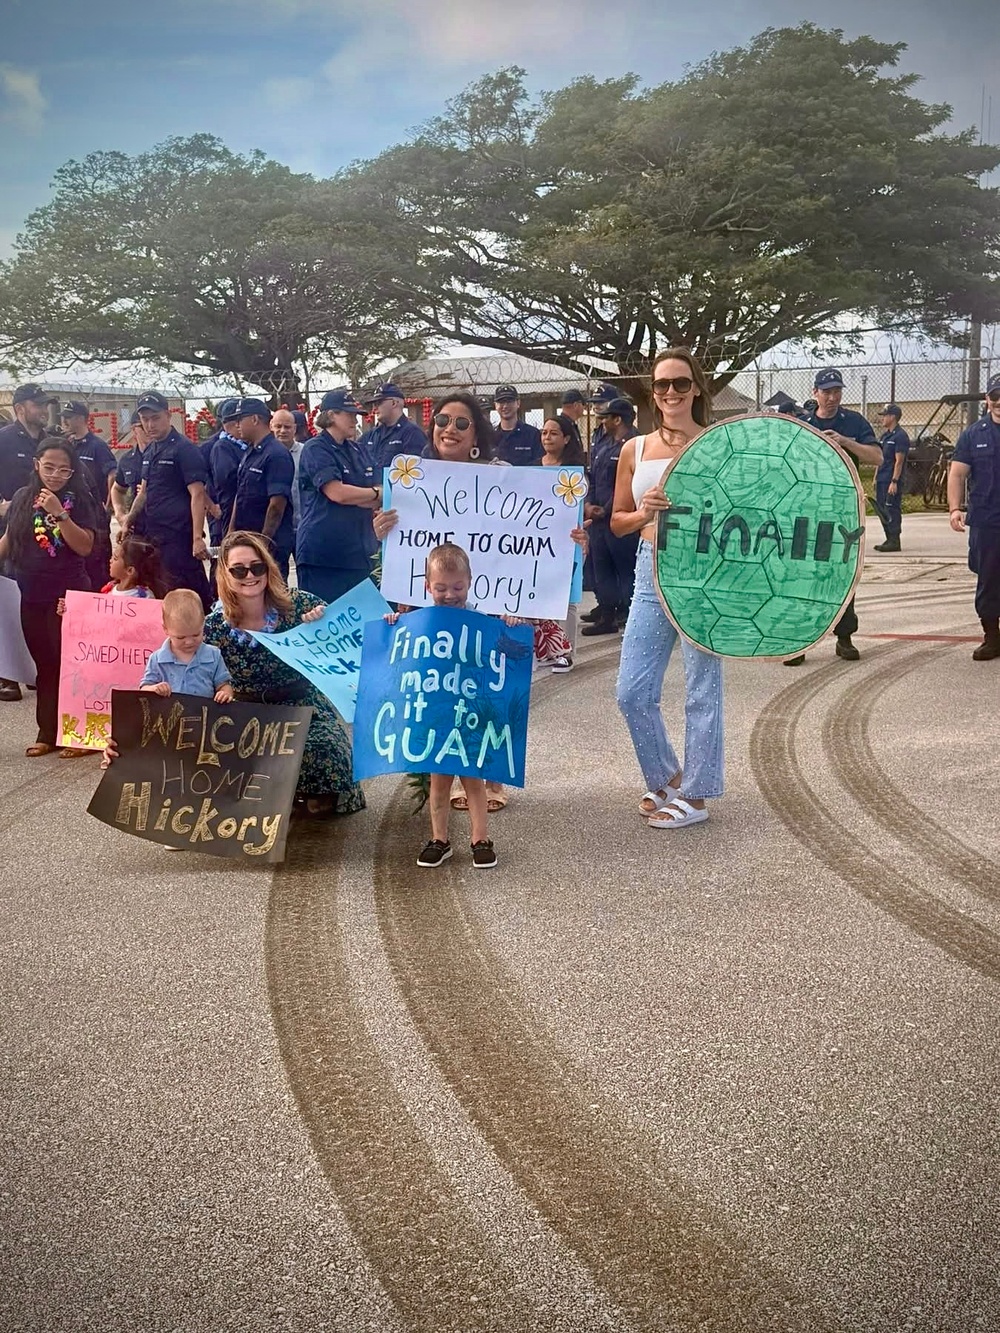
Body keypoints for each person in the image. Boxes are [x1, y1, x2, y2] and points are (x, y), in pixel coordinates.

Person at [376, 394, 587, 811]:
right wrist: (383, 531)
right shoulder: (412, 481)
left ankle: (491, 777)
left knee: (486, 688)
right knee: (444, 689)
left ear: (477, 434)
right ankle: (451, 772)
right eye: (442, 420)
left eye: (461, 423)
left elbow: (539, 535)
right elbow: (400, 551)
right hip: (436, 604)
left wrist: (573, 541)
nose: (449, 429)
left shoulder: (501, 475)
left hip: (491, 604)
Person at [612, 348, 722, 830]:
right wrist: (645, 514)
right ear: (652, 393)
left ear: (697, 387)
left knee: (702, 689)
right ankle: (666, 775)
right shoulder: (634, 450)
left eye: (681, 383)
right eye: (662, 385)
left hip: (705, 574)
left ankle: (696, 796)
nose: (671, 392)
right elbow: (617, 521)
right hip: (650, 568)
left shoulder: (718, 444)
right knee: (632, 692)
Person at [385, 542, 528, 869]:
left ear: (470, 582)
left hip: (471, 716)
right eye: (440, 588)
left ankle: (480, 839)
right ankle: (440, 839)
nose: (450, 594)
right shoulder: (418, 622)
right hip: (437, 716)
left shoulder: (481, 621)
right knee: (439, 783)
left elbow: (502, 649)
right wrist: (393, 622)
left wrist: (511, 624)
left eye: (458, 587)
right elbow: (400, 650)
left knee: (473, 780)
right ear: (427, 586)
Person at [205, 530, 365, 816]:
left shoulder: (298, 604)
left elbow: (345, 636)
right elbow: (184, 667)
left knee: (324, 748)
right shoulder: (214, 625)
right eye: (238, 570)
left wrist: (319, 623)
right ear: (225, 574)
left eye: (257, 567)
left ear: (268, 567)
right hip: (246, 710)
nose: (249, 575)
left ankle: (306, 796)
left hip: (301, 705)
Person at [0, 438, 98, 757]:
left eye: (64, 470)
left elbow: (84, 546)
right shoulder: (23, 497)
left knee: (70, 666)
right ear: (36, 464)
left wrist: (60, 514)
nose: (56, 475)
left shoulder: (80, 500)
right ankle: (48, 731)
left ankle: (78, 733)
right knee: (44, 664)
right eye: (49, 467)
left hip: (69, 594)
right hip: (31, 593)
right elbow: (9, 540)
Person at [786, 369, 884, 665]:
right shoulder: (803, 424)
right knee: (800, 575)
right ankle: (798, 640)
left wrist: (845, 442)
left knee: (841, 574)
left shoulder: (853, 422)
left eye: (836, 391)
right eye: (826, 391)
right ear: (815, 392)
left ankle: (844, 637)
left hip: (841, 510)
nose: (831, 397)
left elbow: (877, 457)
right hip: (805, 510)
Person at [123, 390, 212, 609]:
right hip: (154, 538)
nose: (150, 425)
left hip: (178, 539)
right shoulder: (151, 449)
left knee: (188, 595)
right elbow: (143, 492)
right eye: (145, 420)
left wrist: (197, 538)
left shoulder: (184, 449)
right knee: (162, 594)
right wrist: (128, 520)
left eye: (155, 418)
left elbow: (198, 494)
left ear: (168, 415)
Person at [0, 383, 57, 702]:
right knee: (11, 603)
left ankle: (35, 669)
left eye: (45, 404)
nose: (43, 410)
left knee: (39, 600)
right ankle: (8, 675)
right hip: (14, 532)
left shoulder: (50, 441)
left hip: (49, 534)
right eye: (37, 405)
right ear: (20, 408)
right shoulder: (4, 440)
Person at [296, 388, 380, 603]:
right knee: (322, 618)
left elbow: (378, 489)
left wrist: (369, 495)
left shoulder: (358, 450)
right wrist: (371, 494)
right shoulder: (316, 448)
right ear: (331, 415)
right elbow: (337, 493)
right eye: (349, 414)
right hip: (324, 556)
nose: (354, 420)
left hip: (357, 553)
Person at [948, 372, 1000, 661]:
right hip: (986, 519)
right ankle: (992, 636)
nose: (999, 401)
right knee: (989, 577)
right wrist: (955, 508)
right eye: (995, 396)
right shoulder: (973, 435)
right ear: (987, 399)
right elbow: (957, 474)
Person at [583, 396, 641, 637]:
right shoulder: (604, 443)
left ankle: (628, 614)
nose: (602, 421)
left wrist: (606, 509)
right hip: (598, 520)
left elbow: (626, 485)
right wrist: (589, 504)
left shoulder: (636, 445)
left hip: (620, 518)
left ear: (618, 419)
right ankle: (606, 613)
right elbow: (595, 477)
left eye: (606, 417)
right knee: (602, 568)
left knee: (625, 569)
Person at [229, 397, 295, 580]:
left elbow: (277, 504)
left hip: (267, 544)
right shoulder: (251, 451)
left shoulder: (276, 454)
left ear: (255, 419)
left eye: (240, 419)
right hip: (247, 540)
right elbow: (240, 494)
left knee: (271, 596)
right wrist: (231, 531)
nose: (237, 425)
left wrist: (263, 543)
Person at [538, 417, 585, 672]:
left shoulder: (574, 472)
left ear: (566, 438)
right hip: (540, 541)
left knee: (567, 595)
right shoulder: (533, 469)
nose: (547, 437)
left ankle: (565, 651)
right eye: (544, 432)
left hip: (568, 538)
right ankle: (546, 648)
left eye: (553, 433)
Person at [60, 399, 117, 593]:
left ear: (82, 418)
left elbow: (112, 474)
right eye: (64, 417)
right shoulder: (67, 445)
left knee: (97, 567)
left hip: (95, 518)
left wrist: (108, 505)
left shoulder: (97, 446)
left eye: (70, 417)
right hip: (73, 515)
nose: (65, 421)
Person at [140, 589, 233, 702]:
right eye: (181, 637)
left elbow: (224, 684)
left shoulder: (213, 655)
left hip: (204, 716)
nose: (189, 642)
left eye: (195, 635)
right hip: (170, 717)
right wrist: (154, 689)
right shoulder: (157, 659)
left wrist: (224, 693)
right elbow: (144, 689)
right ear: (166, 629)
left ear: (203, 623)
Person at [361, 383, 427, 473]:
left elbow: (416, 474)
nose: (374, 408)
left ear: (393, 403)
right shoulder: (371, 435)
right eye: (373, 404)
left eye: (378, 403)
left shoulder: (412, 434)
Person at [873, 404, 911, 552]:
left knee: (891, 508)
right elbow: (879, 458)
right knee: (882, 508)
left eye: (885, 415)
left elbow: (899, 461)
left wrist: (894, 481)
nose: (882, 418)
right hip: (882, 478)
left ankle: (894, 540)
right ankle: (888, 538)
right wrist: (876, 477)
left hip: (891, 479)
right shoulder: (885, 436)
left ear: (893, 417)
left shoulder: (900, 436)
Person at [110, 411, 150, 529]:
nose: (148, 427)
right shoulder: (127, 460)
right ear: (134, 429)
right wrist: (120, 514)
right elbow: (117, 489)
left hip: (167, 526)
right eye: (142, 426)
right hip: (138, 526)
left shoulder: (169, 455)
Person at [99, 533, 167, 599]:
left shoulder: (145, 597)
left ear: (130, 570)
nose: (110, 561)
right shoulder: (110, 588)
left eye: (115, 558)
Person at [270, 408, 305, 529]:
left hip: (302, 524)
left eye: (287, 427)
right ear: (271, 426)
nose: (282, 431)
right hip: (276, 527)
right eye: (278, 426)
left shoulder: (306, 453)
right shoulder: (265, 455)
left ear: (295, 429)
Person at [493, 385, 542, 466]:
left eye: (509, 401)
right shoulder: (490, 437)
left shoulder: (532, 434)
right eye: (501, 402)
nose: (505, 406)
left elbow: (539, 466)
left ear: (518, 403)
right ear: (495, 405)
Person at [557, 389, 586, 456]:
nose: (584, 408)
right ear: (576, 405)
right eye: (583, 404)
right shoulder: (562, 425)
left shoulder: (571, 424)